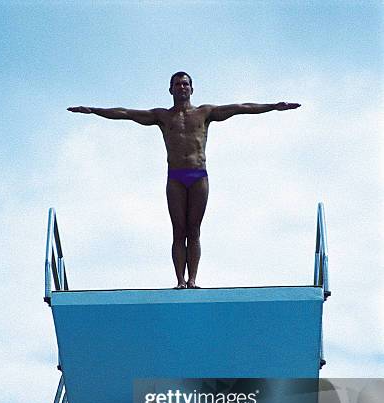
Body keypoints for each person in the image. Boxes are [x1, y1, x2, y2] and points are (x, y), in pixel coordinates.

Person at [68, 72, 300, 289]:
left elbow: (242, 108)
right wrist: (92, 110)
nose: (182, 87)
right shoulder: (162, 116)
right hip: (176, 177)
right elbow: (126, 113)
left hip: (198, 175)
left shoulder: (204, 113)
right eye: (177, 84)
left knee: (194, 230)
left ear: (192, 89)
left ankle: (193, 279)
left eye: (185, 84)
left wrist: (273, 106)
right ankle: (180, 280)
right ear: (170, 89)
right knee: (179, 230)